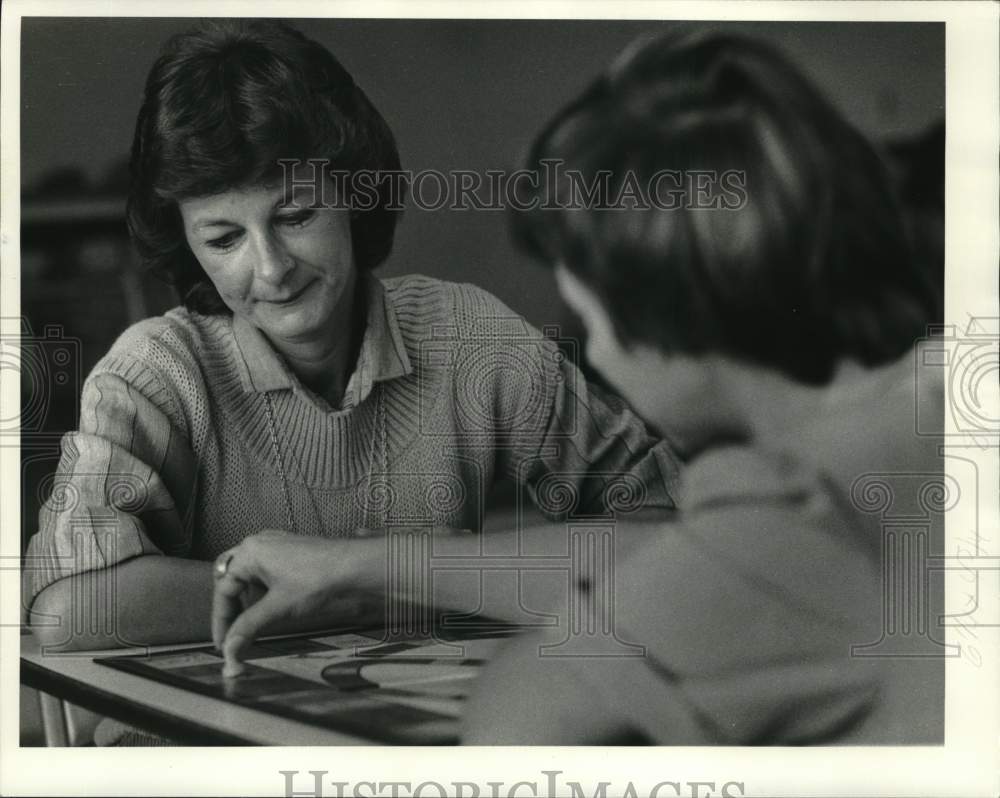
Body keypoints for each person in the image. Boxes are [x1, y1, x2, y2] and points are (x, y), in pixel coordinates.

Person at [23, 22, 680, 671]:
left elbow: (675, 531)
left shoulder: (470, 334)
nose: (272, 269)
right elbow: (70, 606)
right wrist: (366, 593)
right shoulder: (157, 370)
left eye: (296, 215)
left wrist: (366, 569)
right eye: (224, 239)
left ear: (354, 197)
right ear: (187, 243)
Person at [456, 29, 946, 744]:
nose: (598, 357)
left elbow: (520, 723)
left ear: (669, 316)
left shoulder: (798, 506)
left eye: (588, 320)